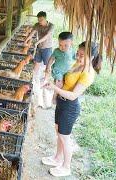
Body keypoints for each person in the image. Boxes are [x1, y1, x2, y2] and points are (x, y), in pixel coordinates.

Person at [42, 41, 102, 177]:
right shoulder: (78, 64)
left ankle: (66, 166)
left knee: (65, 137)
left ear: (91, 57)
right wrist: (55, 93)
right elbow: (65, 81)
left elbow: (74, 95)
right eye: (78, 53)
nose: (78, 57)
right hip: (62, 102)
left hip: (70, 107)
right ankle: (57, 158)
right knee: (58, 131)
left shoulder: (88, 73)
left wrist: (54, 88)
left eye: (82, 55)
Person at [45, 32, 76, 105]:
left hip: (67, 71)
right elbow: (51, 58)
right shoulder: (56, 51)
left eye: (66, 45)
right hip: (58, 71)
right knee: (59, 84)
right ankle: (54, 96)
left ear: (71, 43)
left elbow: (76, 59)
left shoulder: (72, 51)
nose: (62, 47)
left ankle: (62, 95)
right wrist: (48, 66)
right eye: (60, 45)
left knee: (66, 84)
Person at [25, 11, 54, 76]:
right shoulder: (37, 25)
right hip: (39, 47)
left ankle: (46, 79)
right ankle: (33, 77)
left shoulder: (51, 26)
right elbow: (32, 33)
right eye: (38, 20)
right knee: (37, 62)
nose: (40, 21)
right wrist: (26, 40)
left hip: (47, 48)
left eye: (41, 20)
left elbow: (46, 36)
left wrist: (37, 42)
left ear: (45, 18)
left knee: (48, 65)